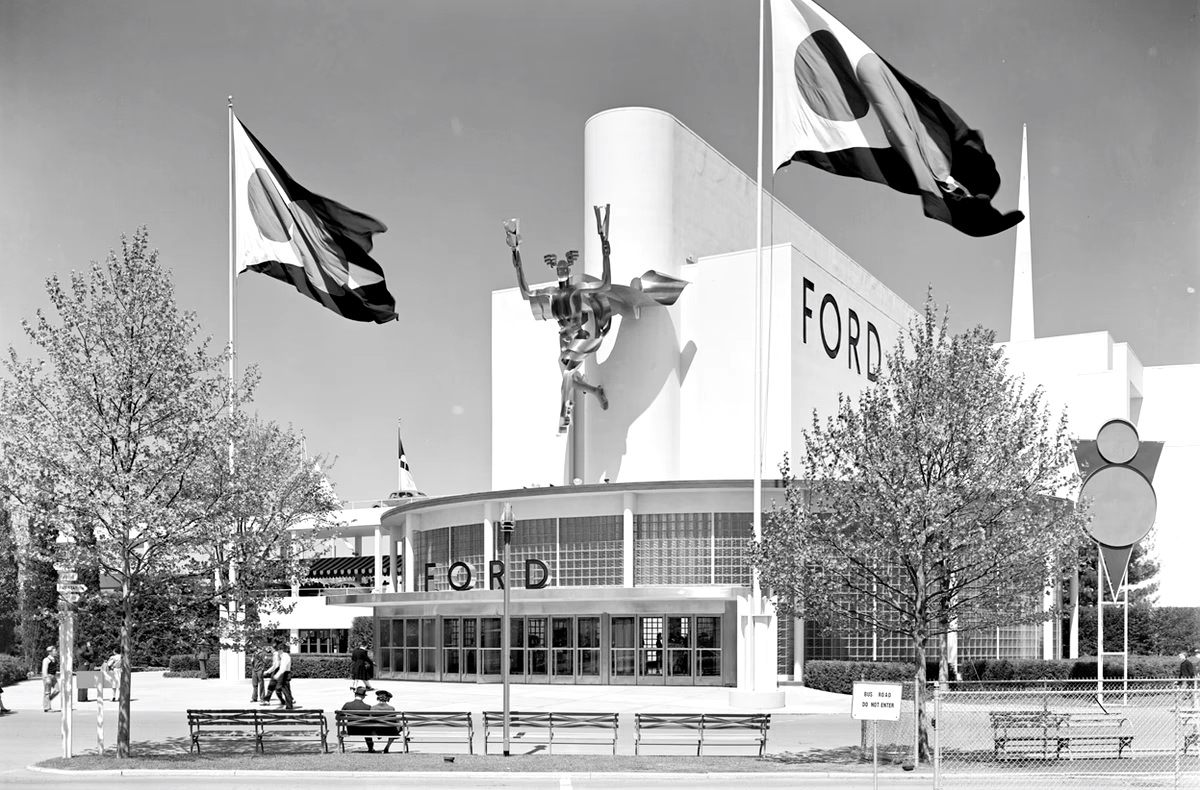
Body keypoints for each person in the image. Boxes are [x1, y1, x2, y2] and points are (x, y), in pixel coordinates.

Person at [340, 686, 383, 753]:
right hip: (364, 731)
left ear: (355, 695)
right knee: (368, 727)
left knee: (367, 727)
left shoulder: (347, 705)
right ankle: (370, 748)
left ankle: (340, 748)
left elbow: (339, 717)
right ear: (363, 696)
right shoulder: (367, 707)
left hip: (351, 730)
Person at [369, 689, 400, 753]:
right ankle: (387, 747)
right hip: (389, 731)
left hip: (377, 730)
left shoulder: (373, 708)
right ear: (387, 699)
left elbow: (370, 719)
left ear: (378, 698)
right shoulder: (391, 708)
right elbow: (394, 720)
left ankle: (379, 736)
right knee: (398, 726)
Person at [267, 643, 295, 709]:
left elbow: (283, 668)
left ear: (281, 650)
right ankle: (289, 704)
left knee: (285, 690)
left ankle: (289, 706)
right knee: (283, 689)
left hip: (285, 674)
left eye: (279, 650)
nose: (278, 652)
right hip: (284, 674)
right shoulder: (283, 656)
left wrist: (277, 675)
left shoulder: (285, 657)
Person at [41, 646, 60, 712]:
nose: (56, 652)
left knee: (57, 690)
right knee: (47, 692)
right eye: (54, 651)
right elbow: (44, 670)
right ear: (50, 652)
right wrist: (46, 678)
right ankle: (47, 707)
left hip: (53, 676)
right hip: (48, 677)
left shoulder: (54, 659)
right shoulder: (46, 660)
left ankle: (48, 700)